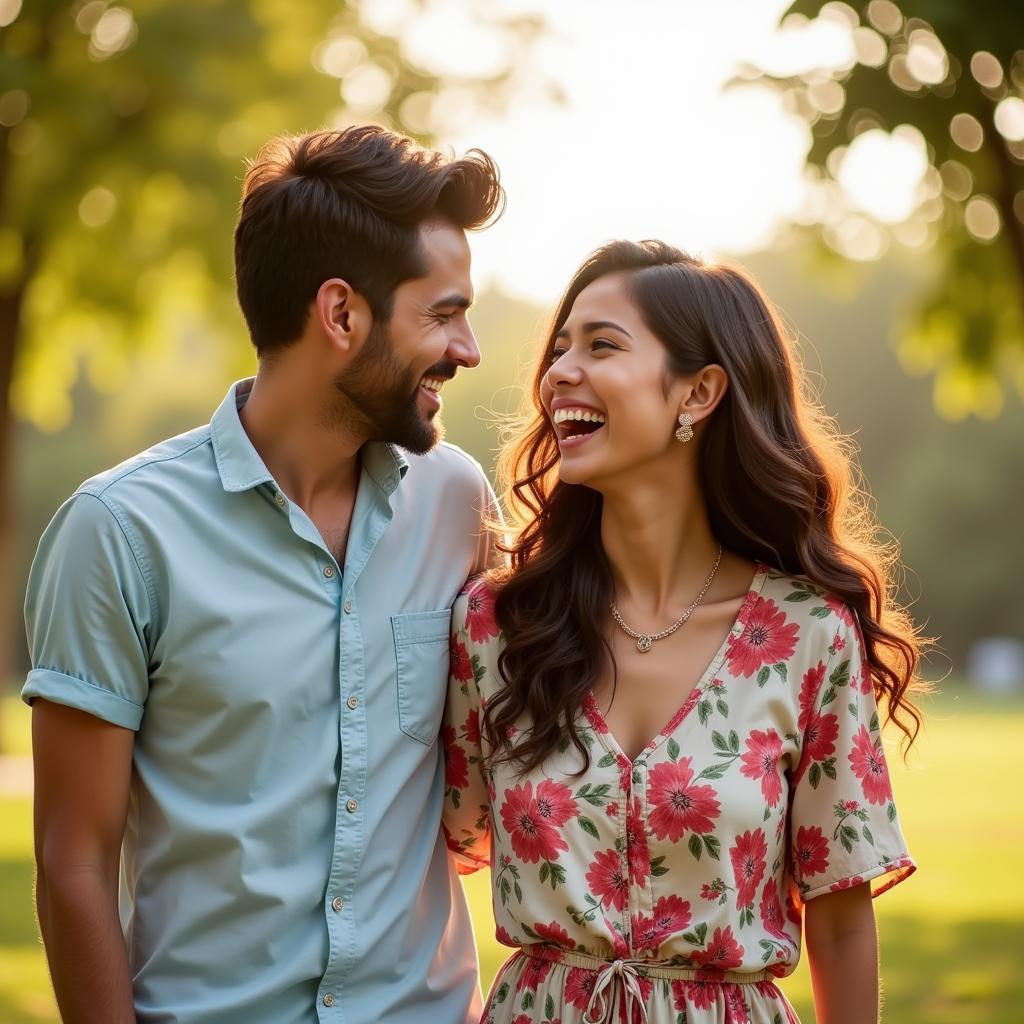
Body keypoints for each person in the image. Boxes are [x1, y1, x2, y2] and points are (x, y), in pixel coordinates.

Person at [24, 125, 503, 1024]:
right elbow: (72, 863)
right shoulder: (121, 533)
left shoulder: (458, 504)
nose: (468, 349)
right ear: (341, 313)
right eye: (442, 314)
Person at [442, 240, 923, 1024]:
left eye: (601, 345)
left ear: (697, 393)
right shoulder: (497, 628)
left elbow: (839, 919)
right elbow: (426, 854)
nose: (559, 370)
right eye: (559, 347)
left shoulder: (808, 638)